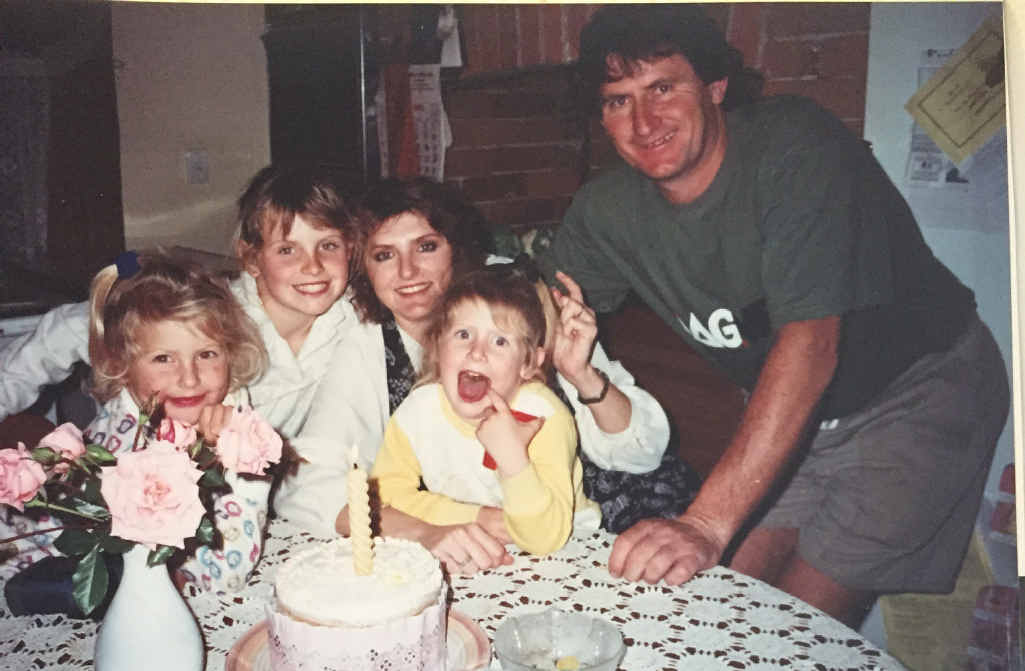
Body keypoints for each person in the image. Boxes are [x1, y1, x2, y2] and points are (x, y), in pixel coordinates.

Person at [538, 4, 1009, 627]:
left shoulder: (795, 144)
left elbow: (811, 346)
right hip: (799, 418)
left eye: (661, 88)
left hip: (917, 398)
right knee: (708, 610)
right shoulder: (608, 211)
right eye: (618, 100)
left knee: (791, 629)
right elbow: (533, 317)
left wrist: (704, 523)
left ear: (714, 86)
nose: (643, 120)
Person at [277, 178, 697, 571]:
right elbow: (306, 483)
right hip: (497, 546)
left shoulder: (518, 292)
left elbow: (641, 454)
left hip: (614, 524)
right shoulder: (367, 342)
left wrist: (581, 374)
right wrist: (430, 528)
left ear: (455, 249)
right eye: (384, 255)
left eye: (426, 247)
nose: (406, 272)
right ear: (364, 269)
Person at [0, 163, 361, 442]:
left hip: (255, 498)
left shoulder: (355, 320)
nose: (312, 266)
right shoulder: (206, 312)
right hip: (138, 478)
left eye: (328, 245)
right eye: (287, 249)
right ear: (251, 259)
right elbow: (68, 328)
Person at [1, 251, 276, 593]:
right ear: (124, 366)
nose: (189, 379)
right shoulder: (122, 418)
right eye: (163, 358)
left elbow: (225, 572)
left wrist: (237, 458)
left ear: (232, 354)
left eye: (206, 354)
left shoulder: (238, 434)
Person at [371, 265, 601, 561]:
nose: (477, 352)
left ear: (529, 363)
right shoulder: (419, 411)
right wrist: (473, 517)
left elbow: (546, 538)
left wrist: (512, 459)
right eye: (463, 334)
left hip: (565, 551)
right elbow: (384, 497)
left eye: (500, 341)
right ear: (437, 348)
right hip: (466, 539)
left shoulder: (544, 417)